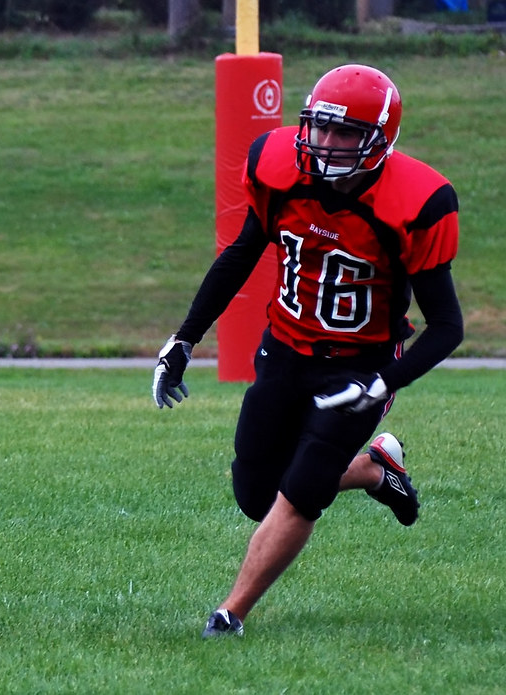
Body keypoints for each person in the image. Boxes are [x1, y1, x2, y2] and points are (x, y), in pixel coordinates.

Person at [151, 64, 463, 638]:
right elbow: (241, 254)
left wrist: (382, 382)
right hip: (285, 348)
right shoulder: (277, 167)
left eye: (346, 132)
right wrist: (184, 338)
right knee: (256, 494)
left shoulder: (418, 201)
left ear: (380, 139)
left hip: (359, 366)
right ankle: (374, 469)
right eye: (320, 126)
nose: (327, 142)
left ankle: (231, 613)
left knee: (300, 495)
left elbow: (447, 325)